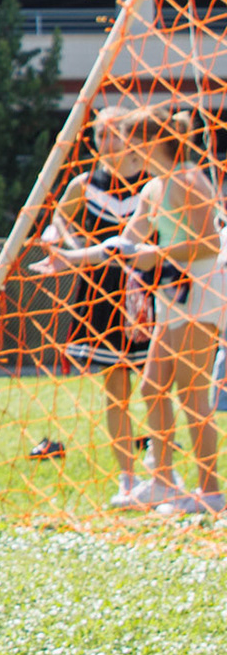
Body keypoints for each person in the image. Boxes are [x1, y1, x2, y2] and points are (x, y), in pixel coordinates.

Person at [32, 108, 153, 504]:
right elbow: (59, 219)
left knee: (156, 384)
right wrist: (74, 247)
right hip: (100, 291)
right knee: (116, 389)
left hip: (146, 290)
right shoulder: (84, 183)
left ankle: (162, 470)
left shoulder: (150, 181)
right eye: (101, 135)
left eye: (115, 134)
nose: (108, 142)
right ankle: (127, 479)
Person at [108, 104, 223, 513]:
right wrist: (70, 258)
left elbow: (209, 243)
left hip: (202, 292)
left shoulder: (189, 179)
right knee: (152, 386)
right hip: (172, 295)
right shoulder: (152, 188)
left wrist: (155, 255)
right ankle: (164, 482)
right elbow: (126, 242)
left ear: (151, 141)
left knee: (192, 393)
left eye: (129, 142)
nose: (124, 151)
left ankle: (211, 493)